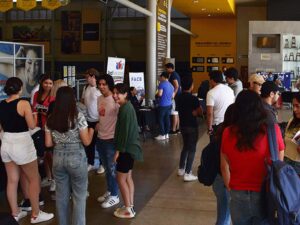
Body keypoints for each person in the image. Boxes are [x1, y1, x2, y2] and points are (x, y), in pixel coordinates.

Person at [221, 90, 285, 225]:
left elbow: (225, 162)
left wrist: (230, 187)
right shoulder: (273, 130)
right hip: (266, 194)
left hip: (238, 194)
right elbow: (279, 161)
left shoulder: (228, 132)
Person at [0, 77, 54, 223]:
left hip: (6, 142)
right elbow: (31, 125)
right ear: (20, 88)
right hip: (22, 143)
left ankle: (15, 212)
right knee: (34, 179)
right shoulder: (23, 103)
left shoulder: (1, 104)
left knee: (12, 180)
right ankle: (36, 214)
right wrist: (35, 114)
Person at [45, 86, 94, 225]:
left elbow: (48, 144)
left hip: (58, 157)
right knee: (79, 196)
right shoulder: (78, 116)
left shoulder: (51, 118)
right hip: (76, 157)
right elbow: (86, 141)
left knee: (61, 197)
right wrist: (91, 131)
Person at [112, 83, 143, 218]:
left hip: (126, 150)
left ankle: (128, 210)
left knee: (120, 179)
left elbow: (124, 133)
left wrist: (118, 151)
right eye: (114, 93)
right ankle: (129, 205)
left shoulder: (125, 109)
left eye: (117, 93)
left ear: (125, 94)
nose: (115, 96)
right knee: (128, 178)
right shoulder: (127, 107)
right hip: (130, 148)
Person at [96, 74, 120, 208]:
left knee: (112, 169)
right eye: (99, 84)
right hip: (101, 138)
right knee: (106, 168)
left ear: (109, 85)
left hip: (111, 139)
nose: (101, 87)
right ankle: (110, 190)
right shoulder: (99, 98)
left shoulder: (115, 100)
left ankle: (115, 195)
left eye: (104, 84)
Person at [32, 74, 56, 192]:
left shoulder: (53, 96)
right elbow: (34, 109)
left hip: (50, 128)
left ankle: (55, 179)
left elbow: (53, 113)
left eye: (50, 83)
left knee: (50, 154)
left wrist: (41, 111)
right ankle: (49, 178)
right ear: (42, 83)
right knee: (45, 155)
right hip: (38, 128)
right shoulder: (37, 94)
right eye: (46, 83)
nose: (48, 85)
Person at [176, 76, 202, 182]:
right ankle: (188, 173)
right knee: (192, 149)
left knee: (185, 146)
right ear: (192, 86)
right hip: (192, 125)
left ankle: (181, 169)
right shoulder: (193, 98)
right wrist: (196, 112)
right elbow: (200, 111)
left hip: (183, 125)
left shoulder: (178, 98)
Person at [81, 68, 104, 174]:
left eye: (87, 77)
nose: (86, 79)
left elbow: (103, 105)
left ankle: (102, 164)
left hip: (98, 120)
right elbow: (83, 101)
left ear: (93, 76)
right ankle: (90, 163)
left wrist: (101, 120)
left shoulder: (99, 89)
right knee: (89, 144)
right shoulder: (86, 87)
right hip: (88, 120)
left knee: (100, 144)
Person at [206, 70, 234, 141]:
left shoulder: (211, 93)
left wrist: (209, 129)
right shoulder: (230, 90)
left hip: (217, 125)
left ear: (212, 80)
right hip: (229, 122)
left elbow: (209, 113)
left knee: (215, 147)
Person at [155, 72, 174, 141]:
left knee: (161, 119)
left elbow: (160, 94)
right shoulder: (171, 85)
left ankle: (162, 134)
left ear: (163, 77)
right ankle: (166, 134)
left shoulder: (162, 84)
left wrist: (157, 95)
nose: (160, 78)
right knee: (167, 119)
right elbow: (172, 96)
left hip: (163, 104)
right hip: (169, 104)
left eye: (160, 77)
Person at [284, 92, 300, 175]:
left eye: (297, 106)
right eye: (293, 106)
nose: (294, 109)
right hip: (286, 162)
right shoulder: (292, 120)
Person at [165, 63, 181, 135]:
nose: (166, 70)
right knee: (177, 113)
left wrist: (173, 95)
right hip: (177, 96)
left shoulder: (174, 75)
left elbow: (176, 86)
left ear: (170, 68)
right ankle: (177, 128)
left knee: (174, 112)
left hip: (175, 96)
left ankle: (174, 129)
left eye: (167, 68)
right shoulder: (175, 74)